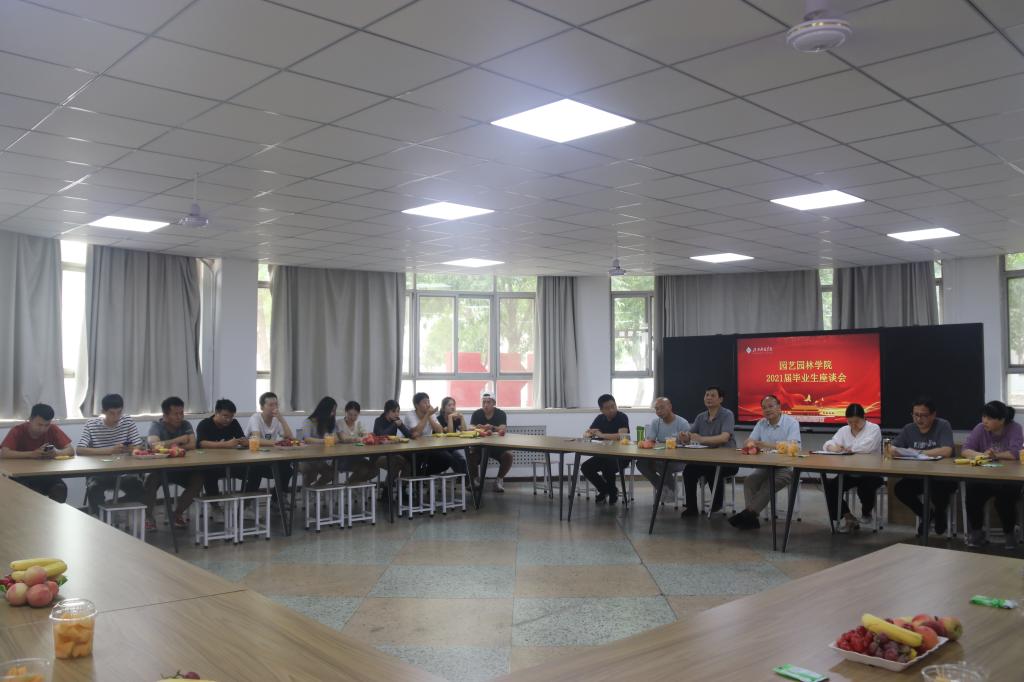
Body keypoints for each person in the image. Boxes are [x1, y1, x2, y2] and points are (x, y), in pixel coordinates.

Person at [729, 395, 801, 530]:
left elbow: (794, 446)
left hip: (786, 468)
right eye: (764, 408)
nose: (767, 410)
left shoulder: (791, 423)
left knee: (768, 485)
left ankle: (747, 515)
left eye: (771, 406)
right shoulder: (761, 423)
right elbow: (749, 441)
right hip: (765, 467)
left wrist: (764, 444)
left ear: (779, 408)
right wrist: (750, 443)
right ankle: (751, 518)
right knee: (750, 481)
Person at [962, 401, 1024, 549]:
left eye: (989, 418)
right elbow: (965, 450)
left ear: (1002, 420)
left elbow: (1015, 453)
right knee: (972, 491)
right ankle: (977, 533)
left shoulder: (1015, 428)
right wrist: (982, 455)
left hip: (1009, 478)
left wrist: (995, 455)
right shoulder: (980, 428)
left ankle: (1009, 534)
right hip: (986, 477)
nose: (985, 421)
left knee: (1004, 499)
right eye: (983, 416)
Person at [892, 397, 956, 536]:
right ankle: (926, 514)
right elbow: (892, 447)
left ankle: (940, 514)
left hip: (942, 477)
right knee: (900, 489)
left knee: (938, 492)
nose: (919, 419)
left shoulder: (943, 425)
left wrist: (919, 452)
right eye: (915, 415)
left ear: (933, 415)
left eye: (923, 415)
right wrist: (895, 450)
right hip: (918, 476)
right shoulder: (909, 428)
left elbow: (947, 451)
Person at [820, 403, 884, 533]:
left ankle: (866, 512)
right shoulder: (844, 430)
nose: (853, 425)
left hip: (871, 472)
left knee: (865, 488)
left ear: (864, 418)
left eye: (857, 422)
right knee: (831, 487)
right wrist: (832, 447)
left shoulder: (874, 428)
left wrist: (847, 448)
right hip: (849, 473)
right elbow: (829, 443)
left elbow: (867, 447)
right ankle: (848, 517)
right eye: (850, 422)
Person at [77, 393, 145, 514]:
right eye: (112, 413)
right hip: (100, 473)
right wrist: (110, 451)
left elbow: (138, 445)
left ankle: (110, 506)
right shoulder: (91, 424)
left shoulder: (127, 421)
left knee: (140, 489)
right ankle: (102, 518)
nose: (116, 417)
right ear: (103, 411)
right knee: (94, 488)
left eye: (119, 412)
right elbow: (80, 450)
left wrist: (131, 448)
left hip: (124, 472)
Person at [142, 396, 200, 531]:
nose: (180, 417)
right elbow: (154, 446)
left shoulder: (186, 424)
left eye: (181, 413)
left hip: (182, 469)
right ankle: (148, 517)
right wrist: (178, 440)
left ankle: (177, 513)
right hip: (160, 470)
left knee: (198, 479)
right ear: (165, 415)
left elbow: (192, 444)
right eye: (176, 414)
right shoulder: (156, 426)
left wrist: (167, 447)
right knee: (150, 481)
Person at [681, 386, 737, 517]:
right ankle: (691, 508)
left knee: (714, 469)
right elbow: (691, 434)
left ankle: (716, 503)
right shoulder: (701, 417)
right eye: (707, 395)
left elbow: (724, 438)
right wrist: (685, 436)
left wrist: (701, 439)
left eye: (712, 395)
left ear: (720, 399)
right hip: (706, 460)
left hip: (728, 461)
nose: (709, 398)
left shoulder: (727, 414)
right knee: (689, 471)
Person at [1, 403, 72, 502]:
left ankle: (53, 512)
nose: (43, 429)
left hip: (46, 475)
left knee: (60, 488)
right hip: (22, 476)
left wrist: (56, 453)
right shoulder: (18, 430)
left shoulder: (53, 429)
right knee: (30, 493)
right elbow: (4, 453)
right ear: (30, 420)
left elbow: (70, 450)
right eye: (39, 424)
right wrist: (32, 454)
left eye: (46, 425)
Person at [635, 397, 688, 505]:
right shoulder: (655, 422)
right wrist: (645, 442)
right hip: (660, 457)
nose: (659, 411)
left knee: (661, 463)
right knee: (641, 463)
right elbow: (651, 440)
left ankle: (671, 490)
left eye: (662, 408)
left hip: (678, 460)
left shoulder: (682, 423)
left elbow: (687, 445)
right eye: (656, 409)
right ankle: (663, 488)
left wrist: (683, 440)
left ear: (670, 407)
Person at [579, 394, 630, 504]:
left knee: (607, 465)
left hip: (621, 455)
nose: (611, 410)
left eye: (613, 406)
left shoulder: (622, 417)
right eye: (607, 408)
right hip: (604, 454)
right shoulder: (599, 418)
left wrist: (601, 435)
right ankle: (606, 490)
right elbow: (588, 432)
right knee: (586, 467)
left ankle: (611, 492)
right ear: (601, 410)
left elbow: (621, 436)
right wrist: (588, 434)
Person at [244, 392, 293, 496]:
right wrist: (279, 442)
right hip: (252, 458)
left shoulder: (276, 419)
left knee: (287, 469)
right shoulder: (255, 418)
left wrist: (282, 419)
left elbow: (290, 437)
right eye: (271, 405)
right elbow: (257, 440)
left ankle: (277, 499)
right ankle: (247, 502)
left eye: (276, 405)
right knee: (255, 471)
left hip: (269, 457)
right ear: (262, 407)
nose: (274, 408)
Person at [195, 398, 249, 495]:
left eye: (231, 416)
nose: (228, 420)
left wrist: (244, 441)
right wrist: (224, 444)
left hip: (232, 463)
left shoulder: (234, 423)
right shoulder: (205, 424)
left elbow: (242, 438)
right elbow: (201, 443)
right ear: (216, 412)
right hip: (212, 464)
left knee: (252, 469)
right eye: (225, 416)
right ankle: (214, 502)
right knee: (208, 472)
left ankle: (245, 499)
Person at [467, 393, 512, 492]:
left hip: (497, 447)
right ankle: (475, 480)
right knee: (470, 455)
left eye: (488, 402)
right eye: (483, 402)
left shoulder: (501, 413)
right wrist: (477, 427)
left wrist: (492, 427)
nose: (485, 405)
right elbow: (470, 428)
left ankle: (498, 481)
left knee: (508, 456)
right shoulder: (476, 413)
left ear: (494, 403)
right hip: (479, 446)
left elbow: (503, 429)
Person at [404, 393, 456, 476]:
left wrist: (429, 416)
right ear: (417, 405)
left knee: (448, 459)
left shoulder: (431, 414)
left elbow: (440, 431)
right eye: (425, 402)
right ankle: (417, 479)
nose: (428, 405)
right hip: (412, 448)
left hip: (428, 447)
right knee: (416, 461)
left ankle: (422, 474)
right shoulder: (410, 415)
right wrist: (427, 414)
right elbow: (417, 432)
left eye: (428, 402)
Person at [300, 396, 343, 487]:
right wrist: (324, 441)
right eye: (332, 411)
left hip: (321, 459)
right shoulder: (308, 422)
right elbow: (307, 439)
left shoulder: (330, 422)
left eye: (334, 411)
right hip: (307, 459)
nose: (333, 414)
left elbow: (336, 437)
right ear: (324, 410)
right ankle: (306, 492)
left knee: (331, 474)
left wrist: (335, 439)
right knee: (311, 474)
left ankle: (315, 489)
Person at [369, 399, 412, 483]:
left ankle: (402, 488)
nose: (397, 414)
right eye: (394, 411)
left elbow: (408, 435)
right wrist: (394, 424)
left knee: (408, 463)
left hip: (392, 453)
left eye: (398, 411)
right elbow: (381, 435)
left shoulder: (396, 420)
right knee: (395, 464)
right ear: (387, 411)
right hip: (378, 455)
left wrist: (401, 425)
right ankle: (387, 489)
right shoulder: (378, 421)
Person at [438, 397, 469, 476]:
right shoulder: (439, 419)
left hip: (451, 447)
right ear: (443, 408)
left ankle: (464, 480)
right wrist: (450, 417)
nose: (452, 407)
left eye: (453, 405)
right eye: (449, 405)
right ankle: (462, 478)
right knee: (454, 459)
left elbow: (464, 431)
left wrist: (461, 417)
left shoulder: (455, 419)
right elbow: (450, 433)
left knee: (462, 461)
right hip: (441, 448)